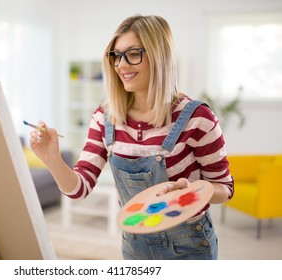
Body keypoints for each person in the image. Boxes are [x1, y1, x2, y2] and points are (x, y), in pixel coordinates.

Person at [29, 14, 234, 260]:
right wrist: (52, 160)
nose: (121, 66)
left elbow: (225, 187)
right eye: (116, 56)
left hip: (188, 244)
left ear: (159, 56)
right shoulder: (105, 117)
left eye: (133, 54)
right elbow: (79, 189)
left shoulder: (197, 117)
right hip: (135, 245)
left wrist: (196, 191)